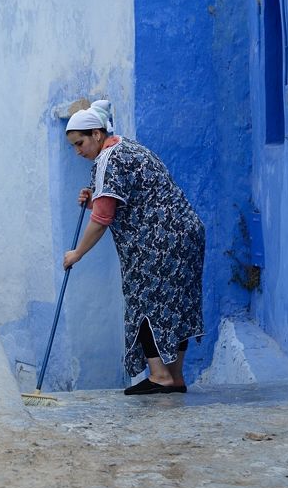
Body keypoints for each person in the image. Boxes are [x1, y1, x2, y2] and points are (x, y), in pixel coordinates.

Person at [62, 100, 205, 395]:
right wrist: (94, 199)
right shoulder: (128, 148)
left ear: (97, 135)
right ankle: (174, 376)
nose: (78, 152)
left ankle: (160, 376)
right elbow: (127, 199)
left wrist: (76, 253)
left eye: (80, 143)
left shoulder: (108, 159)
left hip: (157, 243)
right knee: (173, 306)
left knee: (145, 303)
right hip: (185, 234)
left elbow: (102, 219)